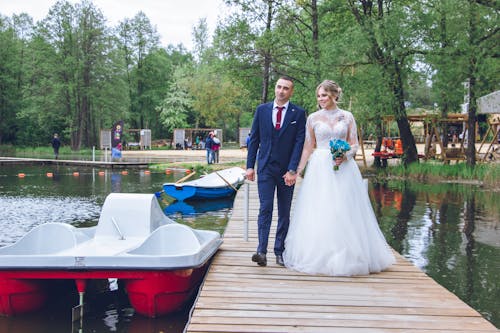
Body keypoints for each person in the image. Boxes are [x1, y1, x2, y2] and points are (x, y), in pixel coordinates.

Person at [283, 80, 395, 276]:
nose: (321, 99)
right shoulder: (313, 118)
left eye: (324, 95)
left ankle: (348, 255)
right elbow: (308, 147)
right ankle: (321, 254)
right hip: (320, 167)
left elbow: (353, 144)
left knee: (344, 208)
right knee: (321, 208)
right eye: (318, 96)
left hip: (344, 167)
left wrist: (346, 155)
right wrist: (296, 170)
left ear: (334, 95)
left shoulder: (348, 117)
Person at [246, 76, 307, 267]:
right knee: (265, 208)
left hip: (286, 172)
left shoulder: (298, 113)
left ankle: (279, 251)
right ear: (275, 88)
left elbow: (299, 143)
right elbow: (254, 140)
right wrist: (250, 166)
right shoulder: (262, 110)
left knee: (284, 211)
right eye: (279, 87)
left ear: (291, 91)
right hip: (265, 168)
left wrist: (292, 170)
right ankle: (261, 251)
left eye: (286, 88)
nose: (281, 91)